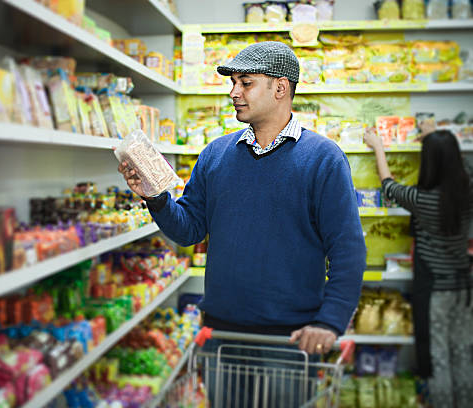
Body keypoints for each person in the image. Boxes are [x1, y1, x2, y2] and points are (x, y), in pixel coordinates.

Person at [118, 42, 366, 407]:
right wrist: (155, 196)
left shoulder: (323, 159)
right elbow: (188, 229)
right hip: (223, 332)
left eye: (245, 83)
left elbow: (347, 248)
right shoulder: (215, 154)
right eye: (233, 82)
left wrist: (329, 322)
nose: (234, 93)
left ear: (280, 88)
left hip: (291, 338)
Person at [364, 126, 473, 408]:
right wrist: (437, 138)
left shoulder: (423, 200)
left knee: (436, 357)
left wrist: (378, 147)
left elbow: (388, 186)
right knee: (462, 354)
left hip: (435, 289)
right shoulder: (466, 193)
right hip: (463, 289)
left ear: (430, 162)